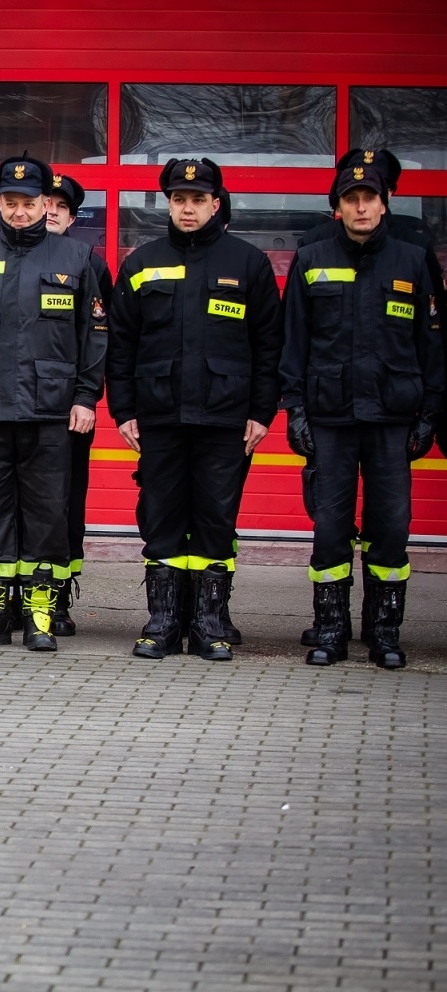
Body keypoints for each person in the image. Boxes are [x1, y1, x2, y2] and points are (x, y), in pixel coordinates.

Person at [107, 158, 282, 662]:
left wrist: (261, 412)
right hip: (158, 415)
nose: (188, 208)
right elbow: (122, 345)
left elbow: (269, 345)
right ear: (169, 203)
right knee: (160, 518)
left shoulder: (247, 263)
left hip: (226, 418)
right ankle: (162, 622)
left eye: (198, 199)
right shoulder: (142, 262)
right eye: (179, 200)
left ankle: (208, 624)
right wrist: (123, 410)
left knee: (215, 519)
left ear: (215, 203)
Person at [0, 154, 105, 652]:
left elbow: (94, 335)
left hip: (50, 410)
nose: (20, 211)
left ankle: (40, 615)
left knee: (48, 513)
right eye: (10, 203)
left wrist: (86, 397)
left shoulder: (74, 259)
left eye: (29, 203)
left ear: (44, 204)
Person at [281, 157, 442, 669]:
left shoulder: (413, 261)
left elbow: (432, 345)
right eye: (350, 199)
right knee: (330, 526)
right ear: (337, 208)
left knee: (391, 525)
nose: (361, 207)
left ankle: (384, 631)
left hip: (393, 417)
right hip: (330, 416)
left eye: (369, 198)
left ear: (384, 202)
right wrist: (295, 409)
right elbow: (294, 343)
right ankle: (330, 628)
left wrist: (429, 411)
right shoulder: (312, 258)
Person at [41, 172, 113, 636]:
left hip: (69, 411)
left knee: (66, 504)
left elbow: (98, 338)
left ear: (71, 216)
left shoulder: (88, 264)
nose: (49, 211)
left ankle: (59, 598)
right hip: (18, 409)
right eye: (44, 202)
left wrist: (87, 397)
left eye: (59, 207)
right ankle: (22, 594)